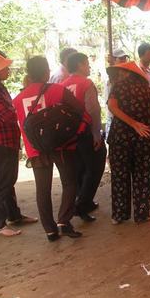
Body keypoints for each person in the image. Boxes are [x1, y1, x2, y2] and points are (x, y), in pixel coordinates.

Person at [13, 56, 86, 241]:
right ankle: (64, 221)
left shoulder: (18, 99)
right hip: (60, 144)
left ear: (29, 74)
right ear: (46, 72)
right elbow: (79, 109)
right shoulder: (57, 90)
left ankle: (50, 230)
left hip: (35, 148)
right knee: (69, 182)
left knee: (42, 189)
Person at [107, 62, 150, 224]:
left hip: (120, 139)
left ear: (126, 73)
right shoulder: (146, 90)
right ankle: (142, 214)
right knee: (144, 176)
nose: (119, 75)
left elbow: (112, 107)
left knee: (120, 176)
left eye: (120, 72)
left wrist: (132, 123)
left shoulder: (117, 87)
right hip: (144, 138)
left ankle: (119, 215)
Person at [0, 51, 37, 237]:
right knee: (2, 182)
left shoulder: (0, 87)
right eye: (5, 67)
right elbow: (8, 116)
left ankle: (14, 215)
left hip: (8, 141)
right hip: (0, 143)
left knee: (8, 181)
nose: (9, 70)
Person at [62, 52, 106, 222]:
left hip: (70, 133)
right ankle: (82, 204)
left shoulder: (63, 84)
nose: (89, 67)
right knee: (95, 167)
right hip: (85, 131)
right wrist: (96, 133)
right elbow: (93, 110)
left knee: (80, 169)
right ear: (80, 65)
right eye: (87, 63)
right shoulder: (86, 83)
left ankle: (82, 202)